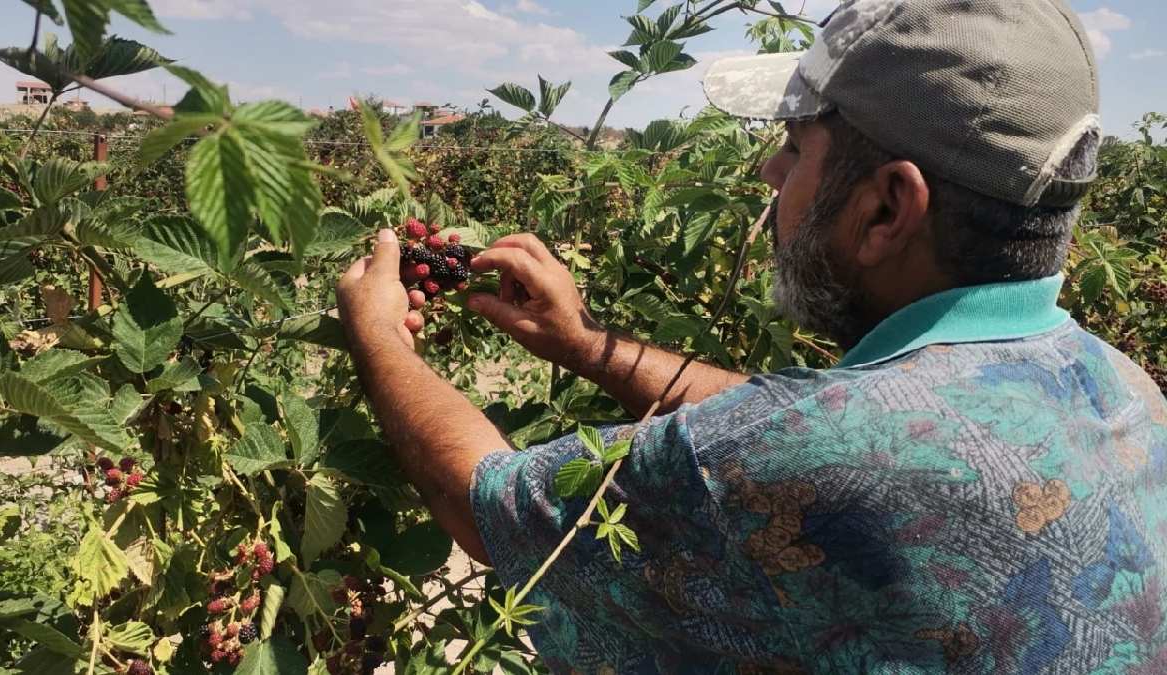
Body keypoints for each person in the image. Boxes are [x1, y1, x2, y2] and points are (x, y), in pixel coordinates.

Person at [336, 0, 1167, 671]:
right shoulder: (1128, 389)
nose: (770, 172)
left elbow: (485, 506)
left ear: (887, 208)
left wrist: (380, 337)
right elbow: (810, 424)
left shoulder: (797, 459)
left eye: (797, 146)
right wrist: (585, 343)